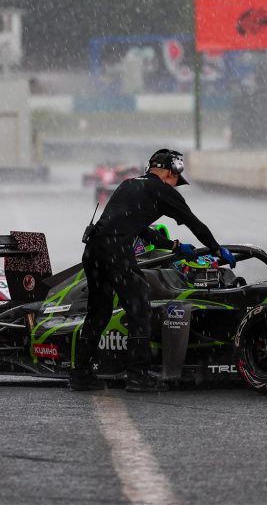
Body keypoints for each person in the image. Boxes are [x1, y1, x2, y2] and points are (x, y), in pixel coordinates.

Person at [71, 149, 235, 393]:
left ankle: (80, 374)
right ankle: (138, 375)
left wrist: (174, 246)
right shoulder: (163, 190)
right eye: (175, 181)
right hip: (116, 252)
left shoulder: (128, 185)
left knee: (99, 312)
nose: (175, 186)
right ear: (170, 172)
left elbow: (137, 228)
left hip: (93, 250)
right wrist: (217, 248)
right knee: (140, 307)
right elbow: (194, 223)